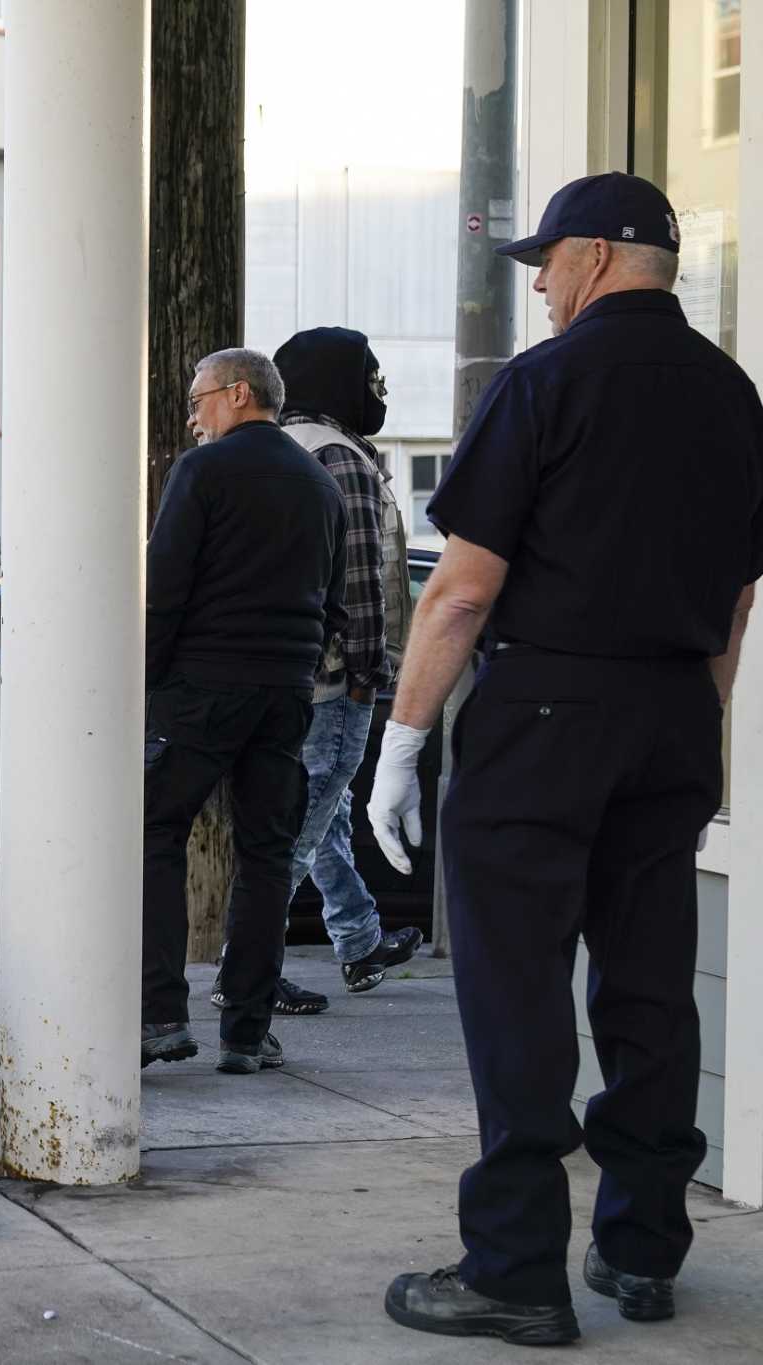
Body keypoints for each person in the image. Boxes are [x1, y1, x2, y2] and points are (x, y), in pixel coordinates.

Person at [371, 173, 763, 1346]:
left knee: (515, 989)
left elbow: (459, 592)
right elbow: (736, 595)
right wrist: (700, 721)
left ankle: (513, 1268)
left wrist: (398, 745)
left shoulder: (543, 382)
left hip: (544, 710)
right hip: (671, 708)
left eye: (546, 261)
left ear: (596, 257)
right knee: (648, 986)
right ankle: (640, 1251)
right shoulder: (732, 393)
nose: (537, 283)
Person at [142, 348, 347, 1075]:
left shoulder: (203, 471)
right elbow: (333, 597)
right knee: (266, 853)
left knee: (153, 833)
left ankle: (160, 1013)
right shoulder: (320, 484)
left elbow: (165, 585)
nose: (192, 415)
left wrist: (147, 678)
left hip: (202, 687)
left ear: (236, 393)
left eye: (198, 398)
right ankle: (246, 1028)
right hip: (285, 692)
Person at [210, 328, 422, 1018]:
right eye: (371, 377)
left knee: (311, 812)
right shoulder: (344, 459)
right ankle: (246, 974)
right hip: (331, 679)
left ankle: (358, 941)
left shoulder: (252, 450)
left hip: (261, 671)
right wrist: (368, 672)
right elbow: (360, 579)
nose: (379, 391)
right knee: (300, 824)